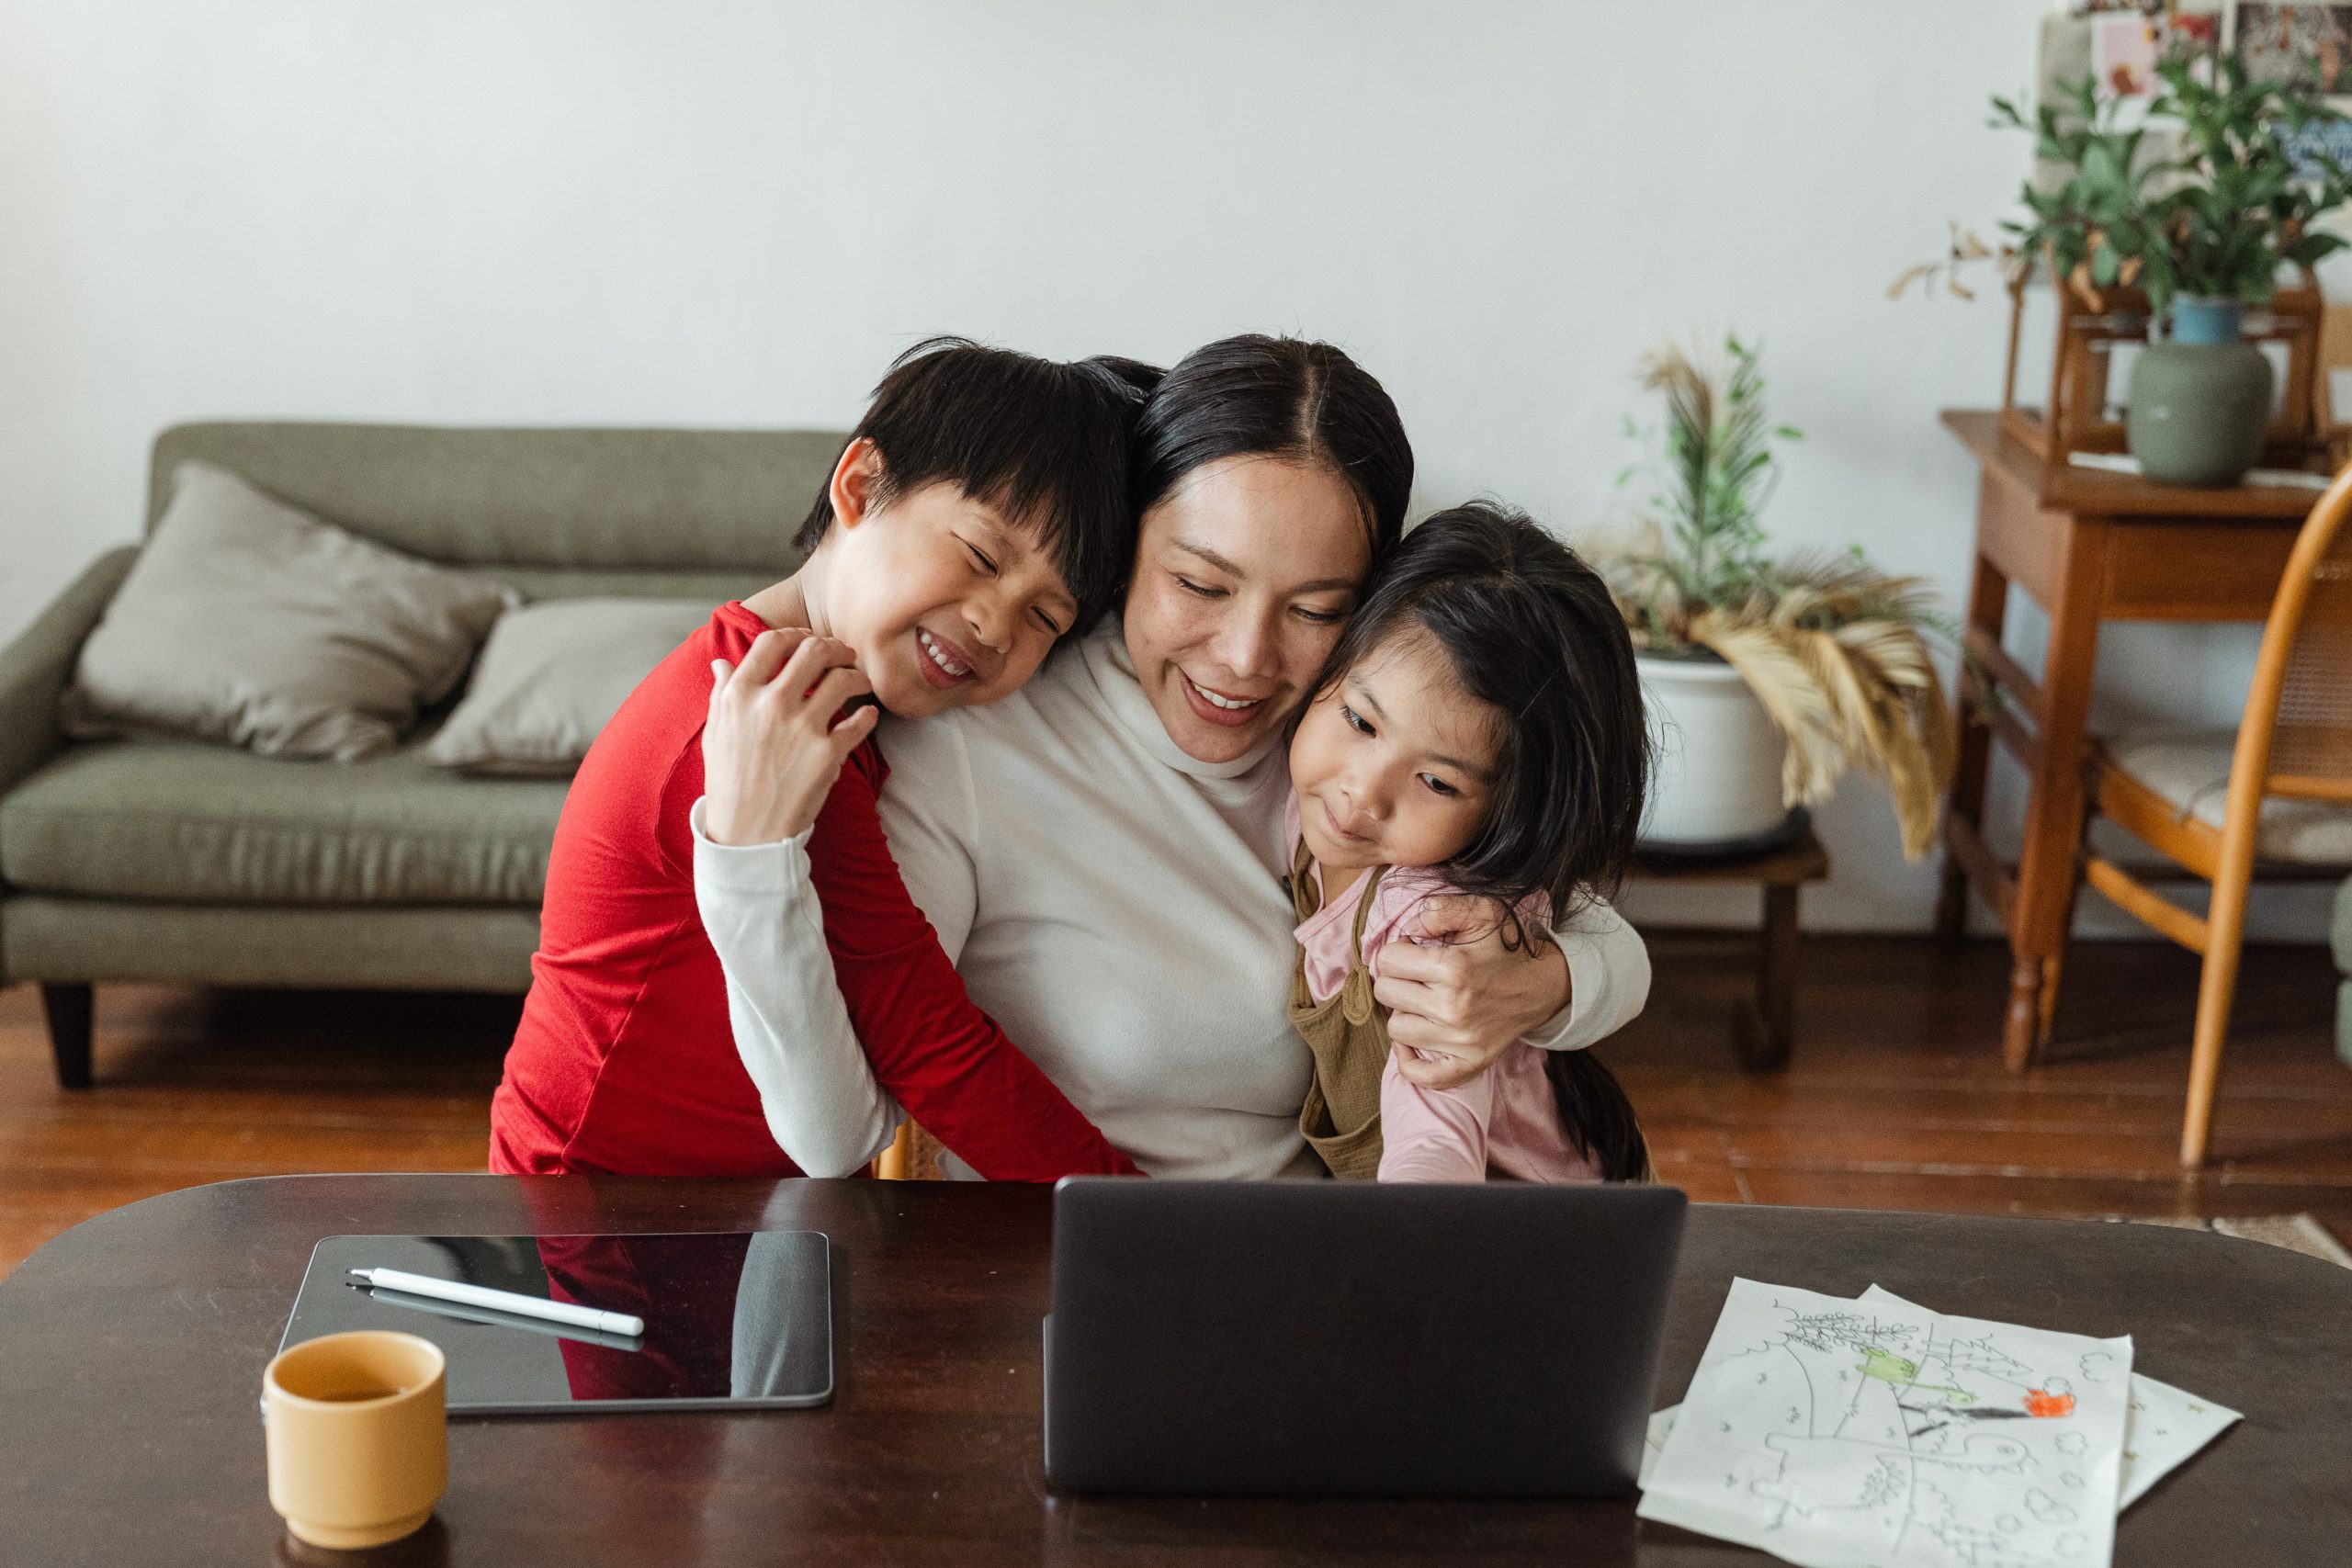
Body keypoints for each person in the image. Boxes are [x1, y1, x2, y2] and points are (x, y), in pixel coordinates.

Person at [695, 335, 1654, 1179]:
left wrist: (1544, 983)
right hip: (1075, 1289)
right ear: (1124, 549)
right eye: (1199, 583)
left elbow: (1595, 928)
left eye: (1316, 609)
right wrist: (745, 861)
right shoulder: (972, 746)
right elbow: (840, 1129)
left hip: (1325, 1276)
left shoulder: (1349, 747)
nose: (1244, 660)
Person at [488, 338, 1151, 1179]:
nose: (993, 623)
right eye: (982, 557)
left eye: (1044, 618)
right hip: (597, 1217)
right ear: (861, 486)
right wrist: (1145, 1230)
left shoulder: (844, 699)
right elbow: (924, 1050)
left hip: (718, 1209)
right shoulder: (768, 721)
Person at [1280, 501, 1653, 1183]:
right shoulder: (1302, 811)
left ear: (1507, 812)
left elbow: (1436, 1144)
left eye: (1436, 782)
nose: (1362, 793)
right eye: (1361, 721)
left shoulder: (1434, 919)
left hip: (1544, 1238)